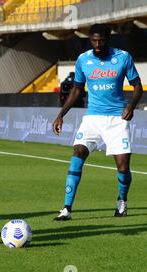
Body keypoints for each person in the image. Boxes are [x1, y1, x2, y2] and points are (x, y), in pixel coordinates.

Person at [52, 23, 143, 221]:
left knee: (123, 167)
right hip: (92, 118)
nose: (98, 44)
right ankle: (66, 208)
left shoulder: (122, 57)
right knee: (77, 154)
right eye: (94, 40)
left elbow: (137, 86)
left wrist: (131, 106)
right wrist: (61, 114)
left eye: (101, 40)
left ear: (108, 39)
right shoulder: (83, 60)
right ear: (90, 40)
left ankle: (122, 201)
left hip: (117, 120)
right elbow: (77, 89)